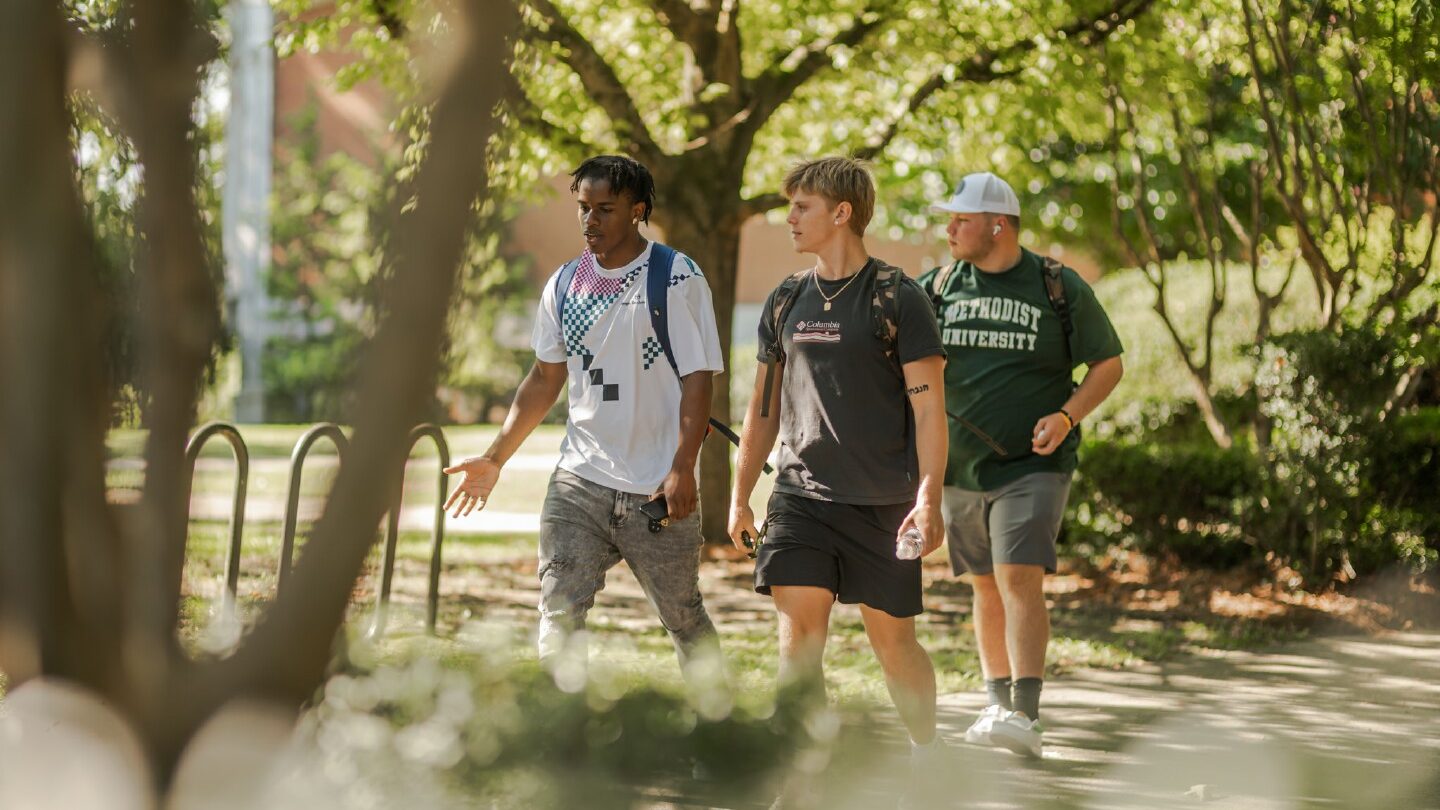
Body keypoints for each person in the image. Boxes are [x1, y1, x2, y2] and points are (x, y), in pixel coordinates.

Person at [445, 155, 725, 679]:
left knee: (683, 617)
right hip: (580, 482)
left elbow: (699, 378)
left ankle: (720, 733)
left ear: (637, 211)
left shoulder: (677, 277)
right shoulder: (565, 284)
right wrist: (494, 458)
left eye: (605, 209)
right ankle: (562, 741)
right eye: (582, 208)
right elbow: (544, 378)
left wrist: (684, 467)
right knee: (558, 613)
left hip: (656, 488)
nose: (590, 221)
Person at [727, 157, 949, 798]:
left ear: (841, 212)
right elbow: (761, 408)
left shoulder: (898, 298)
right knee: (798, 644)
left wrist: (928, 496)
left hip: (883, 505)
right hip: (801, 498)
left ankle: (927, 752)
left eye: (802, 206)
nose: (790, 218)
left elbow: (929, 407)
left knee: (895, 649)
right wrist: (742, 496)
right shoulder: (786, 299)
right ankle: (799, 777)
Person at [919, 171, 1124, 758]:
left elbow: (1107, 363)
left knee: (1016, 576)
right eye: (949, 219)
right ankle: (996, 701)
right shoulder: (936, 287)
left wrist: (1067, 415)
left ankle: (1026, 716)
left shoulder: (1057, 285)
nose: (950, 228)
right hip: (960, 468)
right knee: (984, 584)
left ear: (998, 225)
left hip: (1034, 465)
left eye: (961, 219)